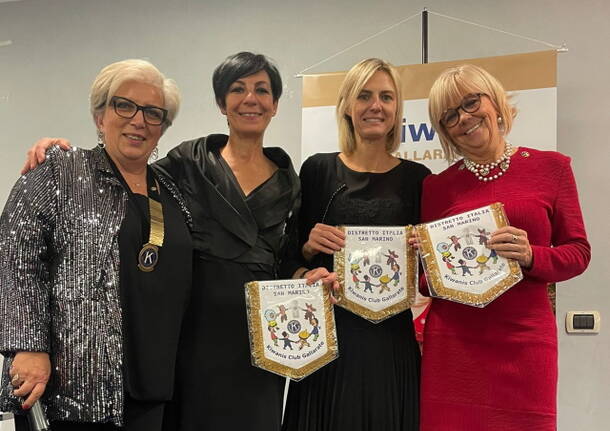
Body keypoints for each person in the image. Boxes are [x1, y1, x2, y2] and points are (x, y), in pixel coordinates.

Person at [22, 52, 336, 431]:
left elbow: (285, 258)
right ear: (221, 102)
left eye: (262, 90)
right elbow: (126, 173)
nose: (250, 99)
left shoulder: (289, 180)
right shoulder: (190, 161)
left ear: (275, 105)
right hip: (191, 329)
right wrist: (66, 156)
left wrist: (305, 273)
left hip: (261, 332)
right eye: (238, 89)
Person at [0, 59, 192, 430]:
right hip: (72, 387)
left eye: (153, 113)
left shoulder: (173, 191)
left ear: (163, 127)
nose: (139, 120)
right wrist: (28, 345)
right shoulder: (61, 171)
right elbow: (16, 257)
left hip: (156, 385)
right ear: (100, 115)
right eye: (125, 105)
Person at [418, 64, 590, 430]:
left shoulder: (552, 168)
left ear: (494, 101)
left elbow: (578, 253)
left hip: (526, 341)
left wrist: (531, 256)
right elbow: (424, 281)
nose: (464, 118)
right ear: (444, 130)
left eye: (470, 102)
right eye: (450, 116)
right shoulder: (436, 187)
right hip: (453, 345)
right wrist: (431, 262)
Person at [282, 58, 430, 431]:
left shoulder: (419, 179)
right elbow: (285, 258)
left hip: (391, 342)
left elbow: (432, 273)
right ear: (347, 106)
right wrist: (307, 252)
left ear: (397, 110)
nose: (375, 106)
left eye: (386, 97)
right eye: (364, 96)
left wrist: (425, 250)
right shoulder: (317, 170)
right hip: (326, 341)